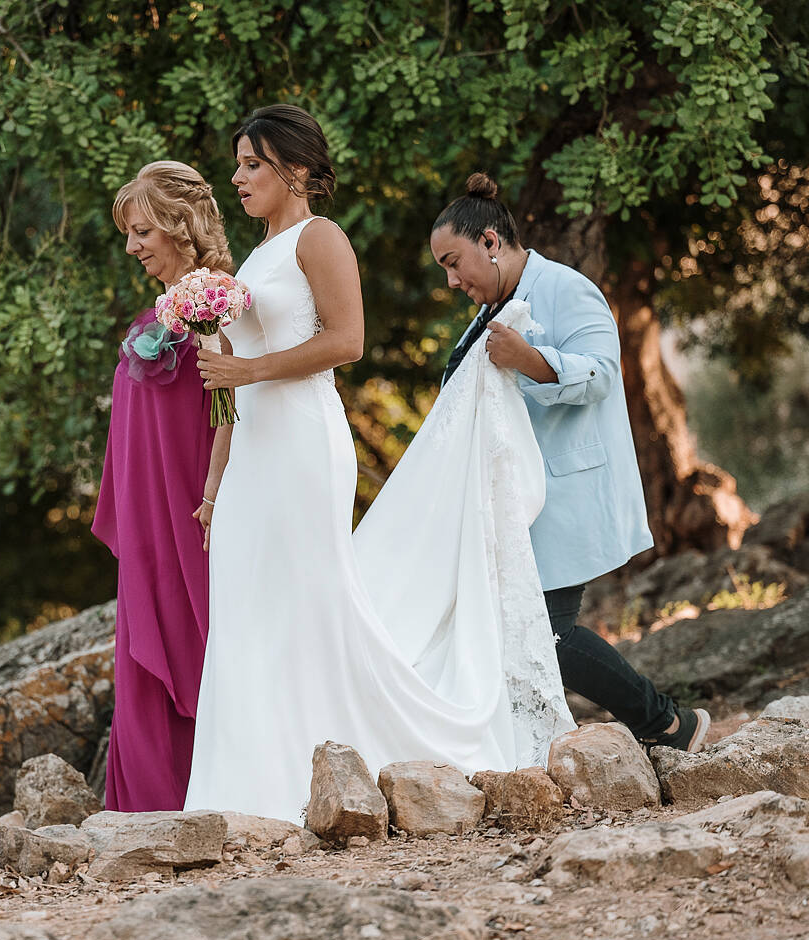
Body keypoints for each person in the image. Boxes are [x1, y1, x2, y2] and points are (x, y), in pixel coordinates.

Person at [184, 105, 572, 822]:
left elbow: (348, 341)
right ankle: (248, 787)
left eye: (252, 164)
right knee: (245, 605)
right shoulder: (254, 257)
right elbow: (236, 371)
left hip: (302, 444)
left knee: (306, 600)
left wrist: (249, 369)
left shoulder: (320, 238)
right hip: (253, 447)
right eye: (237, 164)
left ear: (296, 171)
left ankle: (347, 768)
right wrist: (214, 472)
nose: (237, 178)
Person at [428, 172, 711, 752]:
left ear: (489, 241)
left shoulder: (568, 289)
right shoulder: (487, 314)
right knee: (513, 631)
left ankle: (669, 725)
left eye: (454, 263)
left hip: (565, 494)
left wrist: (530, 359)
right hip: (515, 504)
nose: (452, 280)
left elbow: (602, 373)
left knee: (548, 635)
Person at [92, 160, 233, 811]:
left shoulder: (218, 310)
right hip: (145, 514)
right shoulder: (156, 315)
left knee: (193, 638)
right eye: (129, 233)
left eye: (142, 231)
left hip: (189, 514)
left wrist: (212, 497)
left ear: (180, 225)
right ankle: (145, 803)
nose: (131, 247)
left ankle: (198, 795)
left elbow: (229, 411)